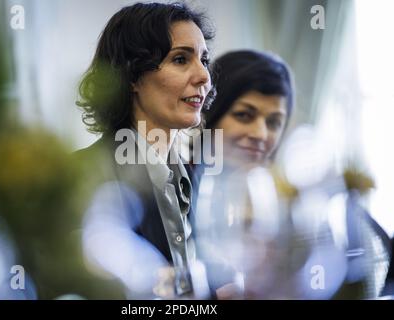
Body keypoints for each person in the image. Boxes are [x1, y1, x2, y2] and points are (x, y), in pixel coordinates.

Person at [195, 50, 391, 299]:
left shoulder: (280, 198)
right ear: (209, 113)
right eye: (244, 115)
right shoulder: (175, 191)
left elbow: (321, 278)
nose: (261, 134)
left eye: (274, 122)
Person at [74, 2, 215, 299]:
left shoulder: (201, 178)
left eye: (204, 59)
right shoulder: (84, 178)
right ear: (132, 75)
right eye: (180, 59)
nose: (204, 76)